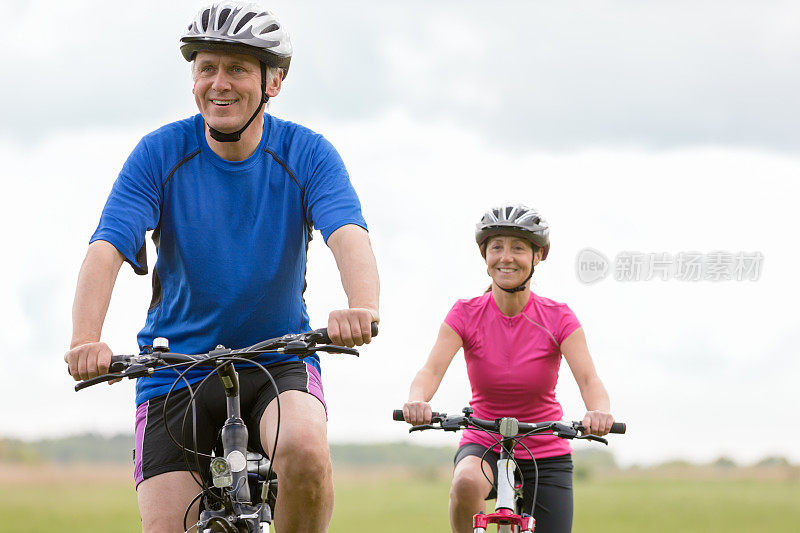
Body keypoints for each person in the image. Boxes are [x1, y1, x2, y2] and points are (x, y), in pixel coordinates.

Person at [63, 3, 379, 532]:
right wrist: (85, 338)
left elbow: (349, 235)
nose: (219, 84)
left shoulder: (308, 153)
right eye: (207, 68)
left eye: (236, 69)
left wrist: (363, 307)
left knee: (303, 447)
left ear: (274, 80)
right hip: (173, 368)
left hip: (278, 357)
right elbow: (106, 248)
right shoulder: (159, 153)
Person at [402, 204, 614, 533]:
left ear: (538, 256)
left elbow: (589, 380)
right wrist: (418, 400)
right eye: (497, 247)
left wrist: (599, 411)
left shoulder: (559, 317)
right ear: (484, 254)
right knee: (466, 482)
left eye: (518, 247)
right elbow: (429, 372)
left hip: (545, 445)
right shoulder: (465, 313)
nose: (506, 257)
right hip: (483, 440)